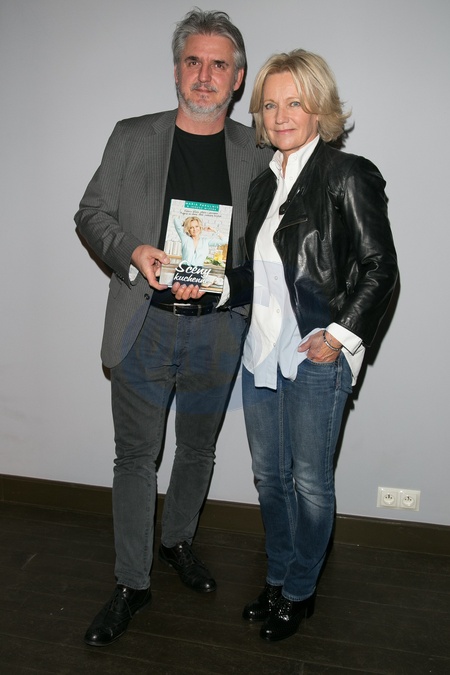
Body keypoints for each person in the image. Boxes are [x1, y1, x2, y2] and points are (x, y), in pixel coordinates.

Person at [74, 9, 272, 647]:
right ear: (177, 70)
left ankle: (177, 541)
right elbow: (91, 213)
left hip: (218, 329)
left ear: (237, 79)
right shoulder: (132, 136)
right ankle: (131, 582)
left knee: (197, 449)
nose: (204, 75)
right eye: (193, 61)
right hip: (145, 324)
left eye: (219, 65)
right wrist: (133, 252)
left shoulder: (258, 151)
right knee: (136, 457)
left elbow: (271, 245)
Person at [226, 49, 398, 642]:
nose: (280, 115)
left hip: (316, 357)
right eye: (270, 104)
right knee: (269, 479)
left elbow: (381, 268)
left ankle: (300, 591)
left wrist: (339, 336)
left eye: (294, 102)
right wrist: (212, 283)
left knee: (310, 483)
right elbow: (257, 275)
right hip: (260, 353)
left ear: (319, 108)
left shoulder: (347, 174)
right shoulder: (261, 185)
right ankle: (277, 578)